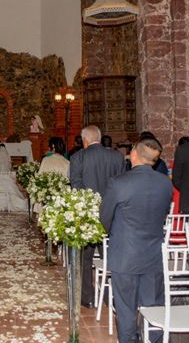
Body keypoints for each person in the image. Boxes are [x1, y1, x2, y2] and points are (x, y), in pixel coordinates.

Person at [101, 137, 172, 343]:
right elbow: (163, 213)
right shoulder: (165, 184)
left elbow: (105, 217)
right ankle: (154, 339)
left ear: (134, 154)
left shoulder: (119, 182)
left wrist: (110, 233)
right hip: (153, 253)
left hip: (125, 253)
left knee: (125, 308)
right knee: (152, 305)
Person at [70, 125, 126, 307]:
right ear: (99, 138)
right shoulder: (117, 156)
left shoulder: (78, 157)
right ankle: (112, 294)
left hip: (88, 214)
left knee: (85, 259)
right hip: (112, 214)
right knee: (110, 256)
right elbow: (122, 184)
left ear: (85, 140)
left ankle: (88, 297)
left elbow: (75, 186)